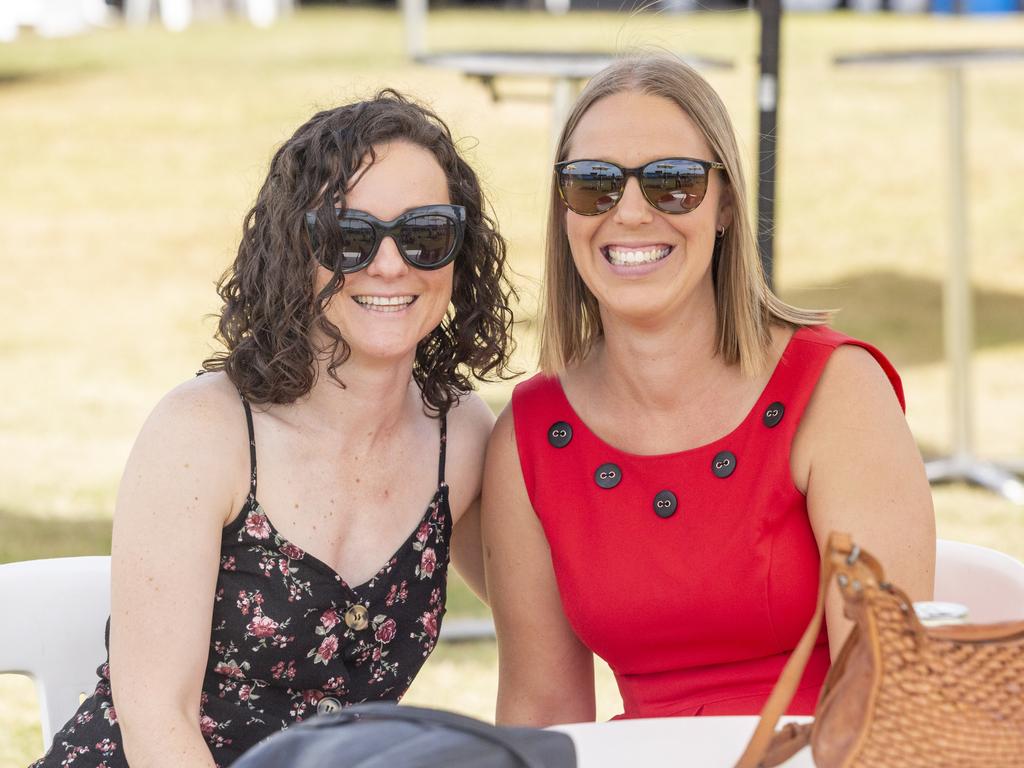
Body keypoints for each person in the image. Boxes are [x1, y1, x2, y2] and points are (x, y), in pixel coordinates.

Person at [32, 91, 515, 767]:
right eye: (349, 237)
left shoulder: (459, 436)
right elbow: (155, 721)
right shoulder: (203, 433)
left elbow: (553, 617)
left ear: (460, 253)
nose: (390, 264)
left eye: (425, 234)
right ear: (296, 249)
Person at [482, 55, 935, 725]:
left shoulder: (835, 393)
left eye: (672, 183)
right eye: (593, 185)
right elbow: (542, 713)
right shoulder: (530, 436)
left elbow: (885, 704)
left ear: (725, 203)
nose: (630, 212)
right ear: (564, 208)